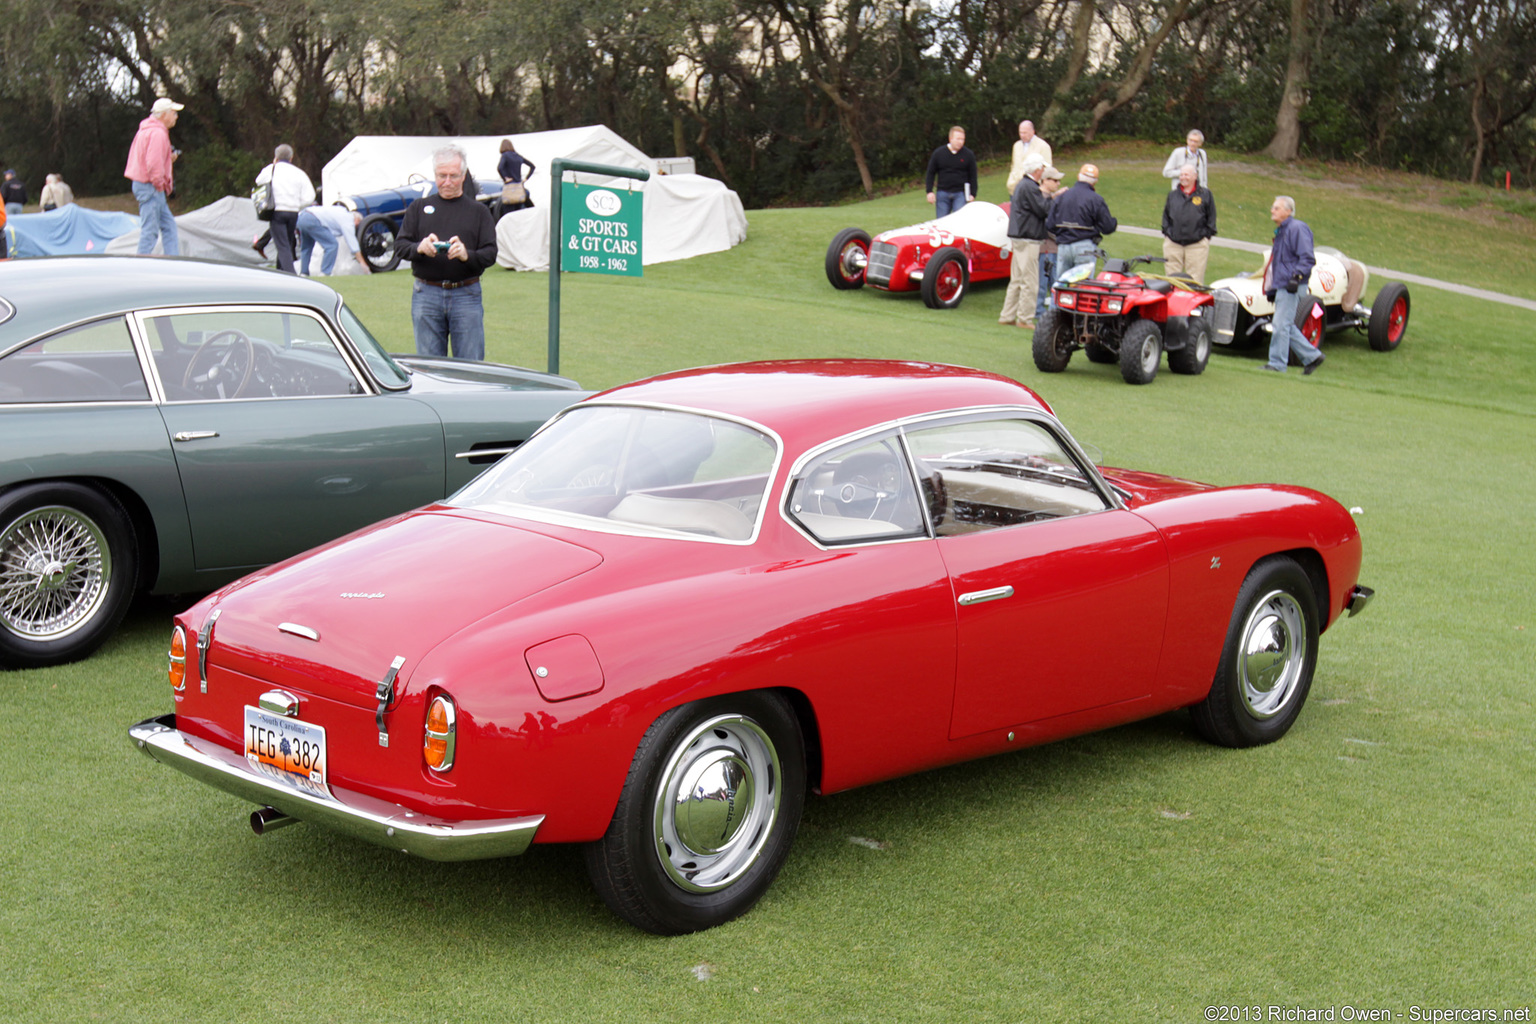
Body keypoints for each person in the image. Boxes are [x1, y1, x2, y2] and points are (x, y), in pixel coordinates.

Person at [395, 145, 498, 361]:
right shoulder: (418, 207)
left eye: (453, 176)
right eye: (442, 176)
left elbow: (490, 254)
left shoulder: (479, 211)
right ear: (435, 175)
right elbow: (400, 246)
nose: (447, 182)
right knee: (430, 369)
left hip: (466, 295)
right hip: (426, 294)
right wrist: (419, 248)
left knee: (471, 367)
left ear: (463, 176)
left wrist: (466, 254)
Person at [1262, 195, 1324, 375]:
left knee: (1281, 325)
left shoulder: (1297, 228)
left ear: (1288, 211)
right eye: (1273, 207)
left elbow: (1307, 257)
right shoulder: (1281, 230)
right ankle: (1312, 356)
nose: (1272, 211)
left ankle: (1277, 364)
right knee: (1285, 325)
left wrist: (1296, 277)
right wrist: (1274, 287)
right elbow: (1279, 263)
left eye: (1276, 208)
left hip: (1292, 285)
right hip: (1283, 284)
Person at [124, 97, 183, 255]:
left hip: (147, 185)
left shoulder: (146, 130)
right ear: (164, 115)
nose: (176, 116)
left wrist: (168, 159)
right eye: (173, 113)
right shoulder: (158, 134)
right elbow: (153, 164)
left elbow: (149, 159)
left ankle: (173, 261)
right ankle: (140, 267)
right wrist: (159, 184)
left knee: (169, 226)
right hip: (151, 186)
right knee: (150, 231)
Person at [999, 155, 1049, 330]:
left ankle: (1007, 315)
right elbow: (1043, 210)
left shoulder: (1022, 185)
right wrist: (1050, 196)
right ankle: (1025, 318)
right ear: (1037, 170)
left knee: (1017, 278)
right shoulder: (1031, 187)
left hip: (1018, 236)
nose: (1043, 171)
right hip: (1028, 238)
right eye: (1042, 168)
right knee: (1030, 280)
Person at [1047, 163, 1117, 282]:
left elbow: (1050, 224)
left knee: (1062, 286)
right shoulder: (1096, 199)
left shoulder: (1062, 197)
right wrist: (1113, 221)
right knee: (1083, 287)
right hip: (1085, 247)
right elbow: (1108, 227)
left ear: (1079, 176)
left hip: (1064, 246)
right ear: (1095, 181)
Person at [253, 144, 316, 274]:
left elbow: (258, 181)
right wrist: (298, 205)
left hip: (277, 212)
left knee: (283, 246)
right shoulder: (299, 173)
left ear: (275, 157)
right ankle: (280, 273)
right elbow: (310, 196)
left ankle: (290, 274)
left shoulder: (271, 169)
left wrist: (272, 165)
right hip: (293, 212)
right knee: (287, 243)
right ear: (291, 158)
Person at [1161, 163, 1217, 283]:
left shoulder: (1205, 194)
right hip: (1173, 244)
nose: (1183, 177)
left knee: (1194, 282)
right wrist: (1167, 232)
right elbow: (1166, 217)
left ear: (1195, 176)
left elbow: (1211, 218)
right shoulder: (1173, 195)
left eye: (1186, 174)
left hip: (1196, 245)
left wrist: (1205, 235)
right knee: (1171, 281)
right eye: (1181, 175)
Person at [297, 205, 367, 275]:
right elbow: (352, 242)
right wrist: (362, 263)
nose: (356, 227)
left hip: (302, 216)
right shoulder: (349, 220)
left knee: (307, 248)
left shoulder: (341, 212)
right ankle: (325, 272)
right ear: (357, 219)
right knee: (332, 245)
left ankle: (304, 273)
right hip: (313, 219)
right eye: (358, 224)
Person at [924, 126, 977, 218]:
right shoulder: (939, 153)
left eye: (962, 139)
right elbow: (930, 173)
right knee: (942, 222)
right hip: (943, 193)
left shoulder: (968, 155)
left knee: (959, 221)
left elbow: (973, 175)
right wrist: (929, 191)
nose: (960, 142)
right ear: (950, 139)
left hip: (960, 194)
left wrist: (972, 193)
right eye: (958, 139)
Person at [1036, 165, 1065, 321]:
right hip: (1046, 247)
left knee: (1054, 280)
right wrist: (1061, 238)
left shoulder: (1049, 198)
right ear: (1045, 180)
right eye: (1055, 180)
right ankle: (1039, 310)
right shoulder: (1042, 198)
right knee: (1044, 280)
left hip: (1052, 247)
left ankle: (1054, 310)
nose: (1058, 184)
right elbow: (1047, 225)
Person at [1005, 120, 1052, 196]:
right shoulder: (1016, 146)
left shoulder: (1043, 146)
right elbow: (1014, 166)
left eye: (1025, 133)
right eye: (1020, 132)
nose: (1022, 135)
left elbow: (1047, 170)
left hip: (1033, 191)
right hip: (1014, 188)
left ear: (1033, 132)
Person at [497, 139, 536, 214]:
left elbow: (500, 168)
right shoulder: (518, 156)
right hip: (519, 187)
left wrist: (505, 178)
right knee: (519, 211)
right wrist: (526, 178)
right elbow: (532, 166)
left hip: (510, 188)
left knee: (508, 212)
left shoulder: (505, 156)